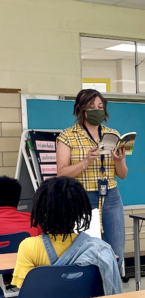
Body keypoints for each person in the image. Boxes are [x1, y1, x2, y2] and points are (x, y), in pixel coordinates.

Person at [56, 89, 128, 269]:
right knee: (86, 253)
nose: (97, 110)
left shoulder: (113, 134)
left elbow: (123, 174)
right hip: (82, 198)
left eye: (100, 106)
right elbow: (61, 173)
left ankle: (113, 293)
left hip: (111, 197)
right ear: (81, 110)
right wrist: (87, 161)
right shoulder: (67, 136)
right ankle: (89, 292)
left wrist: (118, 162)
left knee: (115, 251)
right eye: (91, 107)